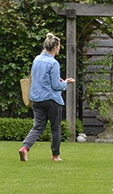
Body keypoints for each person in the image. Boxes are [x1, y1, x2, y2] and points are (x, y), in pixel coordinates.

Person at [20, 33, 75, 162]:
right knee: (55, 127)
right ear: (55, 47)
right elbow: (56, 85)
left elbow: (36, 78)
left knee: (38, 126)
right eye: (59, 46)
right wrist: (66, 82)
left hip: (36, 98)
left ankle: (25, 148)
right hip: (51, 99)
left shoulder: (37, 60)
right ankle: (55, 155)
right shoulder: (53, 63)